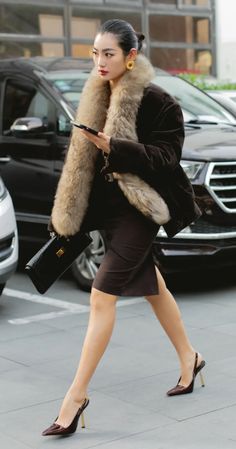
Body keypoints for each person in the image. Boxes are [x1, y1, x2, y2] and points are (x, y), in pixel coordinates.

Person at [42, 19, 205, 437]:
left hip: (142, 210)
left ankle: (75, 396)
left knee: (101, 296)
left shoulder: (159, 102)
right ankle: (190, 357)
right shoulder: (95, 94)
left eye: (108, 53)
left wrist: (116, 147)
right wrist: (71, 211)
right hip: (108, 212)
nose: (99, 61)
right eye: (95, 53)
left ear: (131, 57)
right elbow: (83, 165)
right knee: (154, 287)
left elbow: (167, 158)